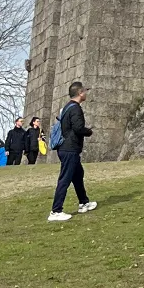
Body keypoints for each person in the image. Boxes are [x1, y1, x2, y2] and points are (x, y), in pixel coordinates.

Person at [48, 80, 97, 222]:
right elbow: (78, 128)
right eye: (85, 91)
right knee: (65, 178)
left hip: (67, 148)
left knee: (77, 174)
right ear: (80, 93)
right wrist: (88, 131)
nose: (86, 93)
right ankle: (56, 211)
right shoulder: (75, 108)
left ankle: (84, 202)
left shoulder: (67, 107)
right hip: (69, 149)